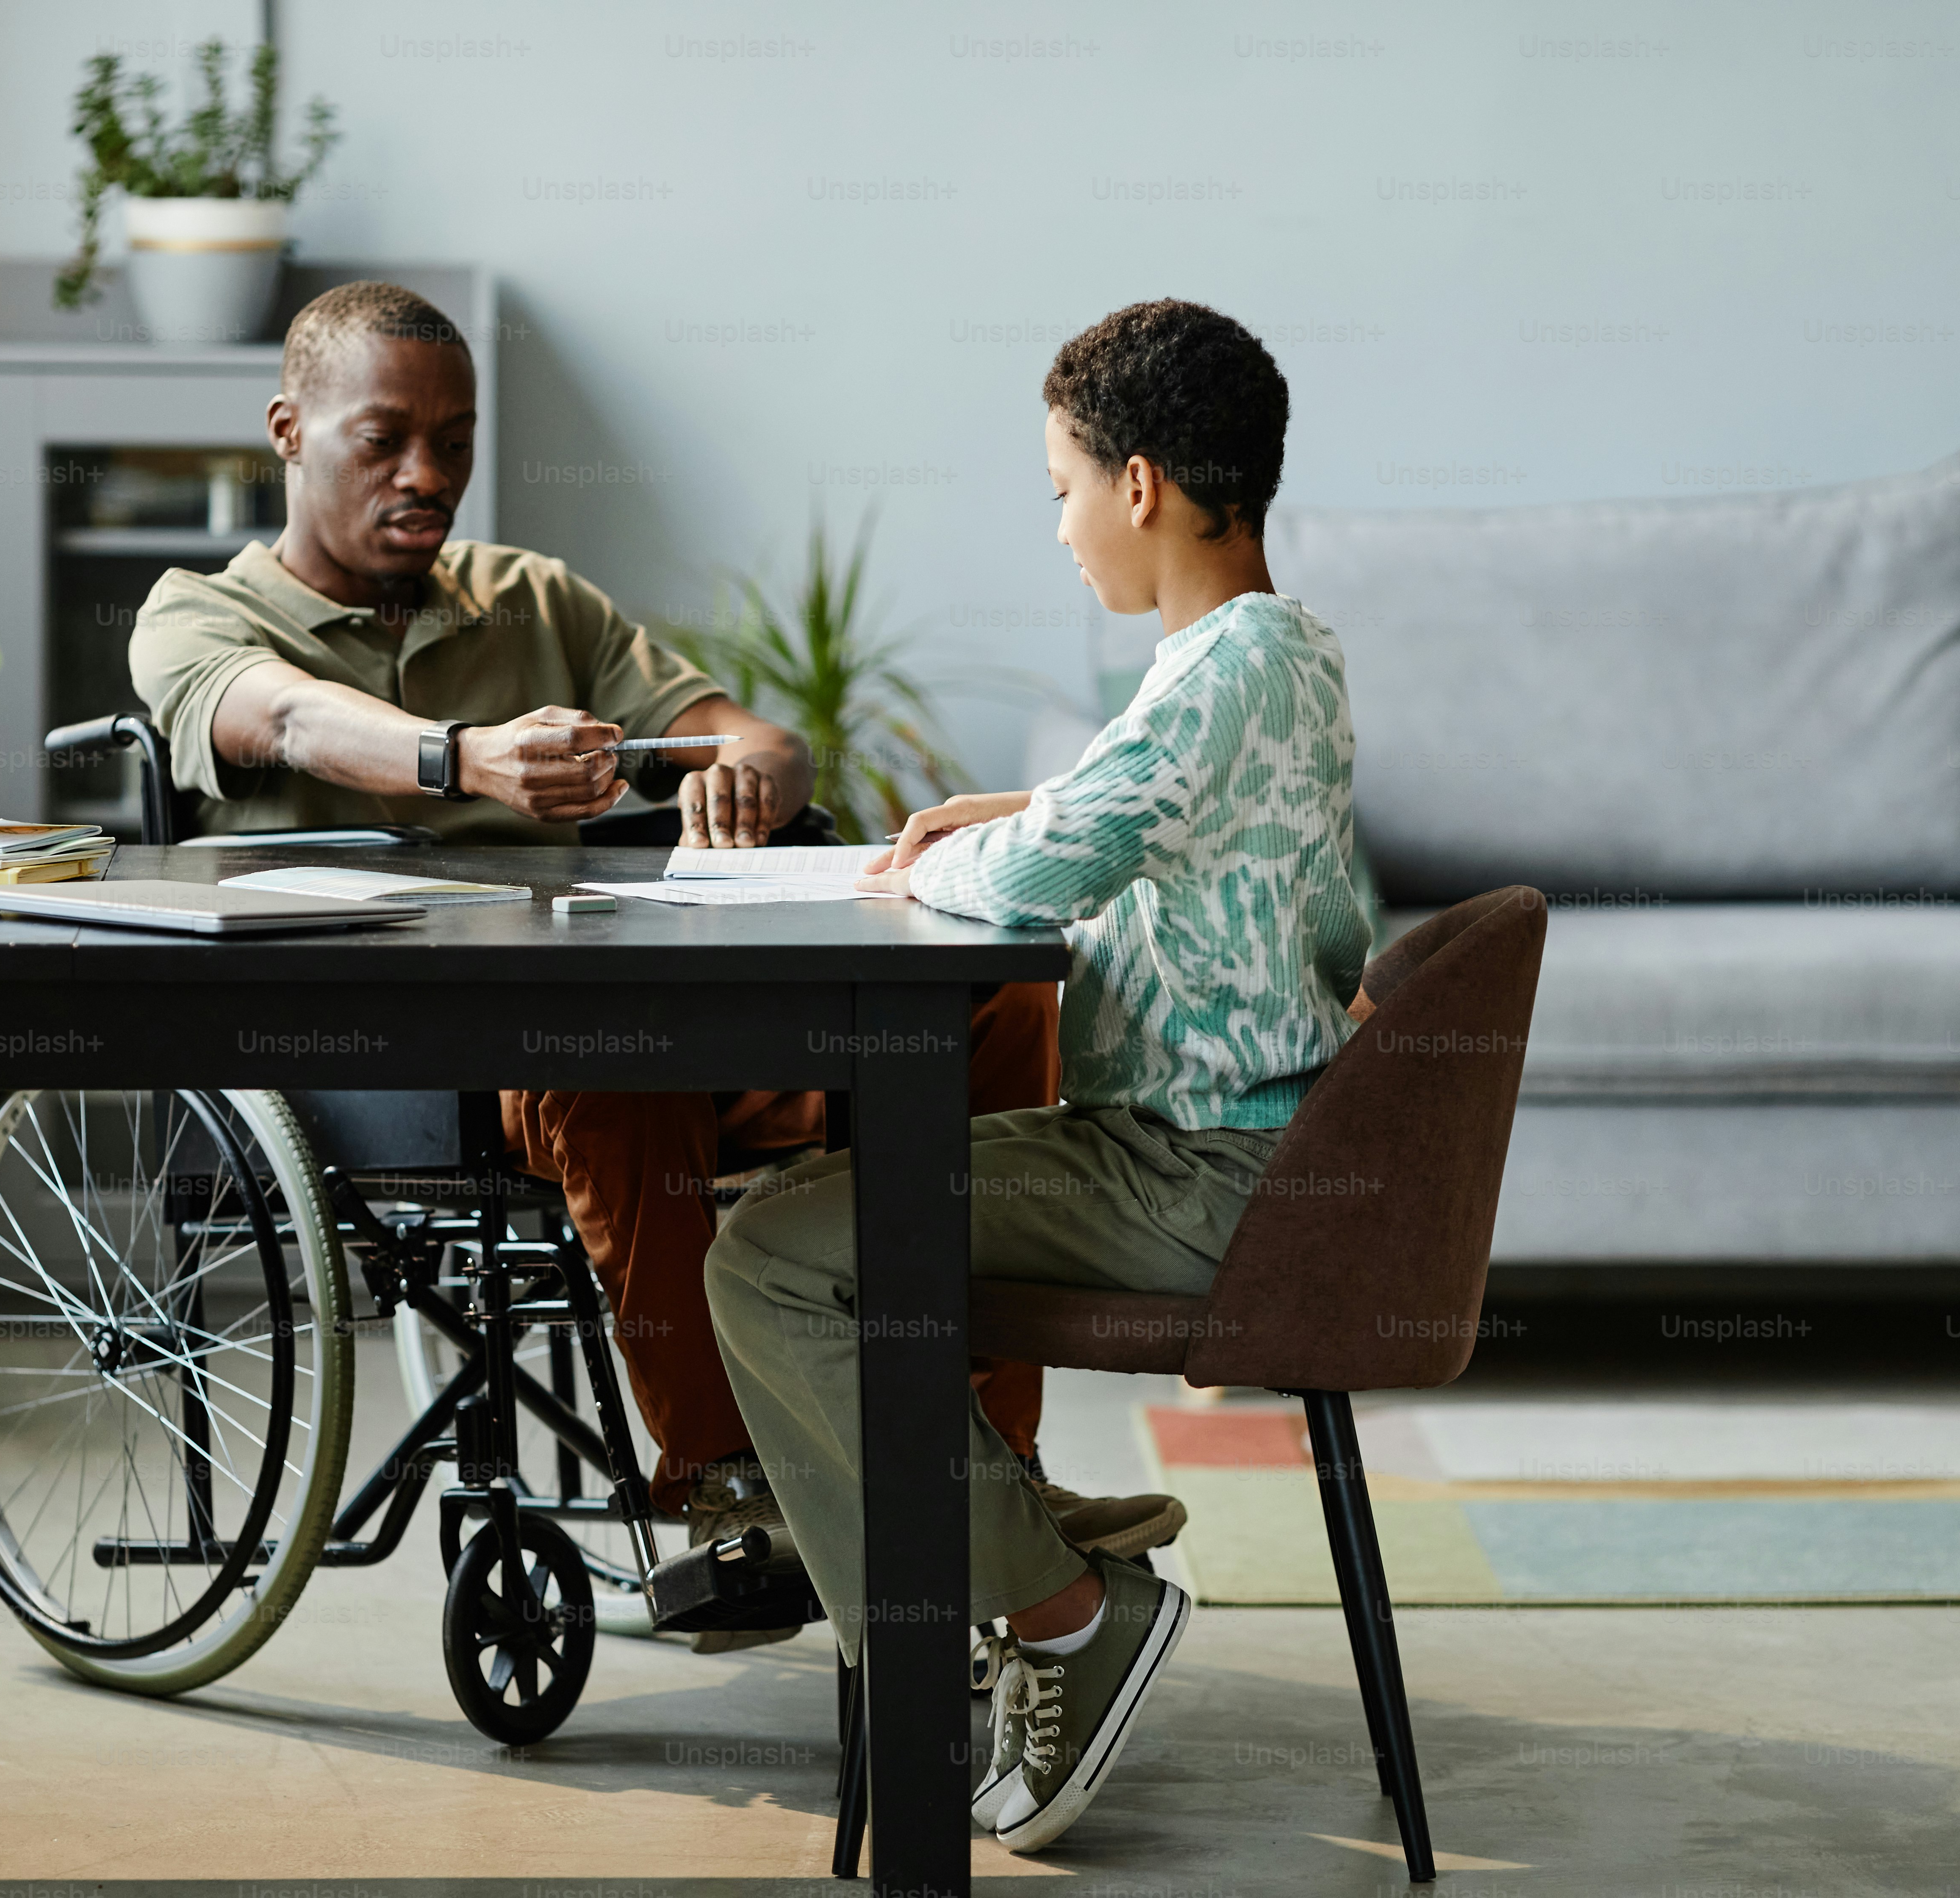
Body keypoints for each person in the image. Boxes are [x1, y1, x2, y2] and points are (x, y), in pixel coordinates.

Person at [127, 282, 1186, 1651]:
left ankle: (990, 1466)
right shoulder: (197, 618)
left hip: (622, 1030)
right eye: (385, 439)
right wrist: (464, 758)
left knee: (986, 997)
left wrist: (741, 777)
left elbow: (758, 738)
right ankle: (731, 1492)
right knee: (607, 1048)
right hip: (386, 1072)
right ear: (287, 430)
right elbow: (289, 719)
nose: (428, 474)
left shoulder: (533, 602)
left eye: (454, 440)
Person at [704, 298, 1373, 1850]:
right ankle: (1004, 1554)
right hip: (1220, 1155)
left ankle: (1064, 1614)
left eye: (1066, 487)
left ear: (1140, 485)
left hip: (1199, 1172)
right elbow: (1143, 808)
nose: (1064, 528)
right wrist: (1010, 807)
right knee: (811, 1216)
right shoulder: (1274, 654)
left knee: (768, 1256)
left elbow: (1034, 881)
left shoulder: (1222, 672)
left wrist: (945, 858)